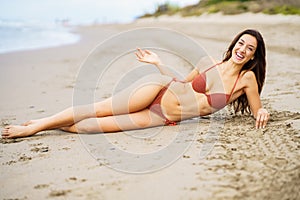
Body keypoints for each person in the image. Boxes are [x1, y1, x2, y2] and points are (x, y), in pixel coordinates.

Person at [1, 29, 270, 139]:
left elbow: (257, 110)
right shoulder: (208, 60)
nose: (242, 49)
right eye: (241, 43)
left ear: (254, 56)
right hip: (158, 89)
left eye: (249, 48)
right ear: (234, 44)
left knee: (91, 127)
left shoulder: (245, 80)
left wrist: (263, 112)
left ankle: (48, 124)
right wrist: (157, 64)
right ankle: (35, 127)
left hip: (163, 116)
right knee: (97, 108)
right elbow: (179, 83)